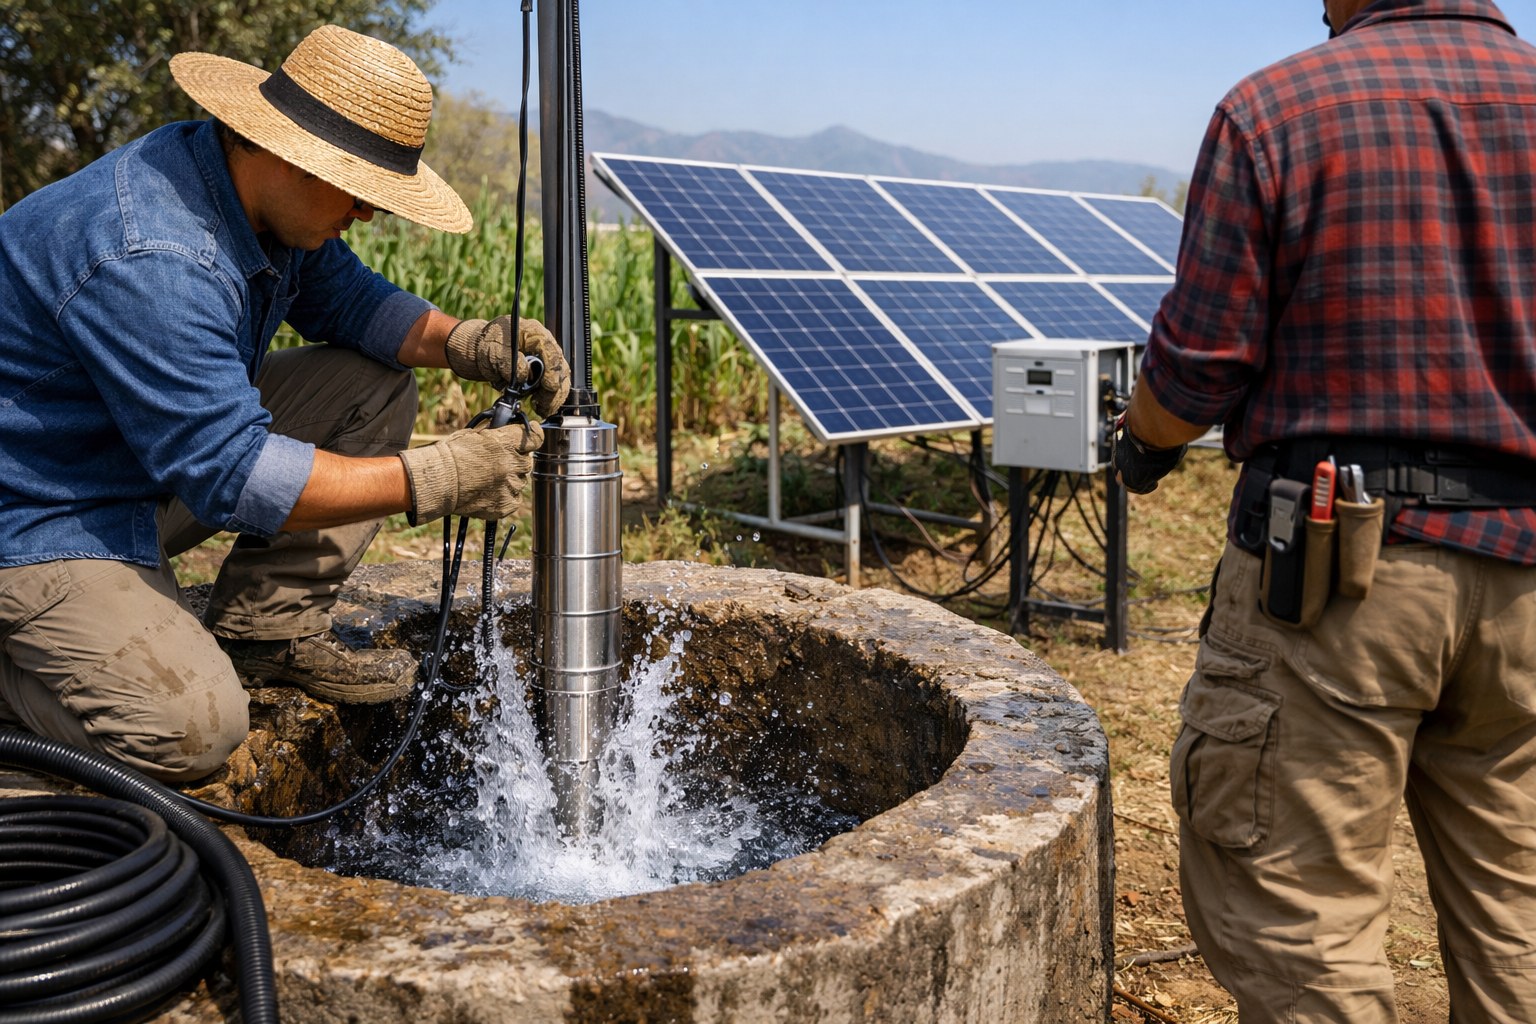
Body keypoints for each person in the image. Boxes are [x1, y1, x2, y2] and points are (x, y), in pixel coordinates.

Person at [0, 25, 572, 785]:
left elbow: (350, 302)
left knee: (371, 384)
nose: (371, 214)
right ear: (287, 152)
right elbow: (236, 476)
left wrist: (467, 340)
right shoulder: (156, 258)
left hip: (120, 464)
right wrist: (437, 477)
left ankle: (265, 631)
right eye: (361, 191)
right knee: (193, 730)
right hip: (36, 512)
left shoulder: (242, 189)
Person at [1113, 0, 1536, 1020]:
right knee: (1519, 911)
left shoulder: (1277, 109)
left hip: (1337, 589)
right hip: (1526, 582)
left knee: (1302, 923)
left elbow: (1202, 362)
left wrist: (1144, 441)